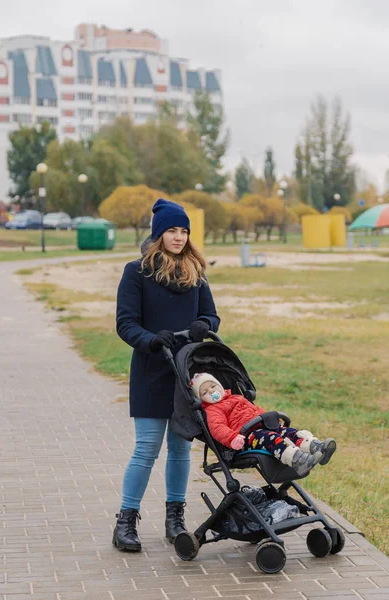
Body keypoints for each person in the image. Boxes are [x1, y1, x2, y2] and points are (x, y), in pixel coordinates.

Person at [113, 199, 220, 552]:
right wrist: (150, 340)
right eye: (172, 230)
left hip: (186, 372)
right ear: (158, 234)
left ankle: (175, 519)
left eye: (184, 230)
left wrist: (204, 325)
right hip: (151, 369)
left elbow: (211, 317)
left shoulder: (195, 273)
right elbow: (125, 323)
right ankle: (126, 521)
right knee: (146, 449)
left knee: (179, 450)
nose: (179, 237)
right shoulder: (136, 272)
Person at [190, 373, 336, 476]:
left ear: (220, 385)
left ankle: (316, 447)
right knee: (271, 438)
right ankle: (298, 460)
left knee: (289, 432)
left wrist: (271, 420)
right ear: (201, 399)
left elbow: (256, 410)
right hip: (247, 436)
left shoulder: (237, 397)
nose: (211, 391)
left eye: (213, 386)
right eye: (205, 392)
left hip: (262, 425)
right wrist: (232, 438)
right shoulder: (213, 410)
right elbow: (217, 428)